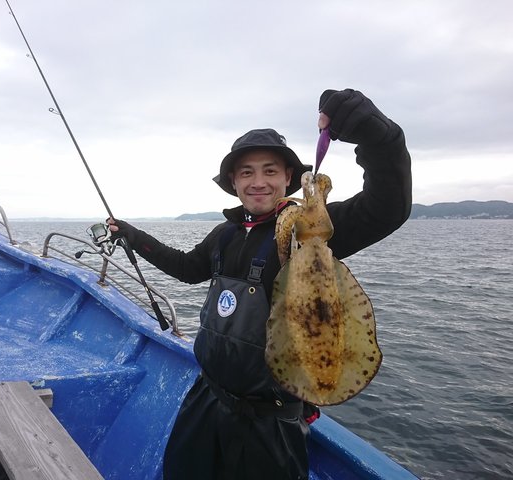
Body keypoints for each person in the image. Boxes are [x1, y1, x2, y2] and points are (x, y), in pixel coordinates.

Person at [108, 88, 412, 480]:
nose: (259, 182)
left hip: (270, 420)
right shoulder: (226, 234)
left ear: (288, 177)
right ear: (233, 181)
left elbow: (387, 206)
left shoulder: (310, 231)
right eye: (247, 172)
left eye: (270, 170)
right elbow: (186, 268)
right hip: (206, 399)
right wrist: (132, 235)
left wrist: (380, 138)